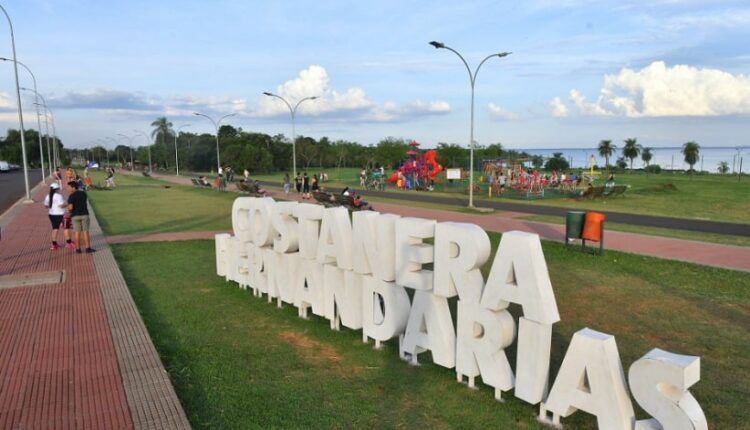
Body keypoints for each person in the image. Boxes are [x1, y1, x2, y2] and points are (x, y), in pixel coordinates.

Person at [66, 181, 94, 253]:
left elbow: (70, 207)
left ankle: (78, 249)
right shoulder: (83, 194)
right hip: (84, 214)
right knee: (85, 232)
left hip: (75, 216)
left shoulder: (71, 196)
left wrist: (68, 211)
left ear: (73, 187)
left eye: (69, 187)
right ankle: (88, 248)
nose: (68, 189)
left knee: (77, 233)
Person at [43, 183, 69, 250]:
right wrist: (67, 204)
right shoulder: (59, 196)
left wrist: (52, 206)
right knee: (66, 228)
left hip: (51, 214)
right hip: (60, 214)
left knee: (55, 228)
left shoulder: (48, 196)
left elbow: (46, 206)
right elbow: (61, 205)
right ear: (57, 189)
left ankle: (54, 244)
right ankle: (69, 242)